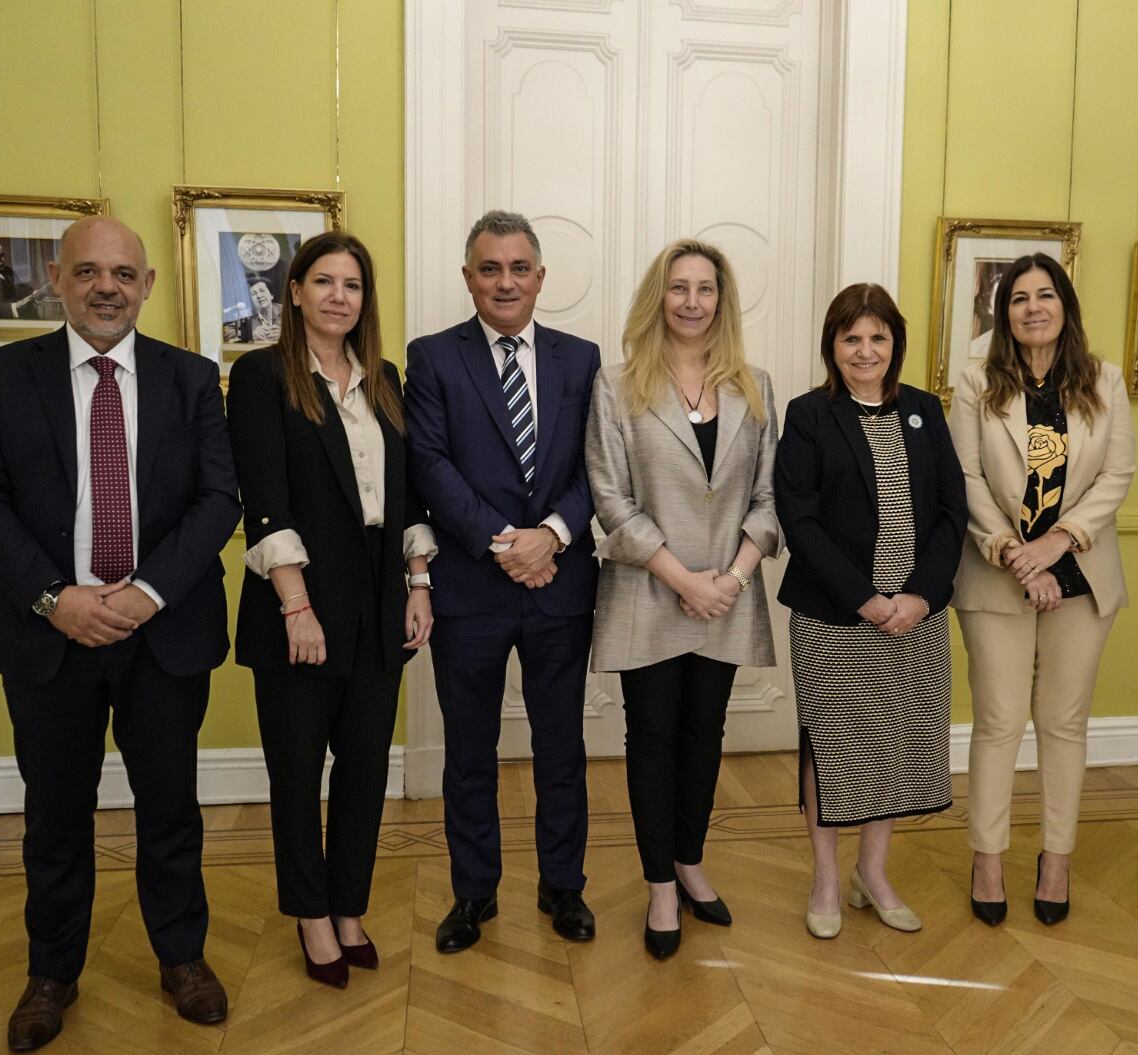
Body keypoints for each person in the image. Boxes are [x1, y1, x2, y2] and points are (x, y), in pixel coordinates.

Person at [0, 217, 240, 1051]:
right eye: (87, 272)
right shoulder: (6, 375)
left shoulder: (192, 378)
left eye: (121, 273)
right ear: (58, 280)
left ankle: (182, 958)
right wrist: (55, 598)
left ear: (147, 285)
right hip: (48, 636)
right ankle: (51, 973)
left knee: (171, 808)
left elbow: (219, 499)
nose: (105, 287)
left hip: (163, 635)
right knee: (55, 815)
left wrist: (146, 593)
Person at [227, 233, 434, 988]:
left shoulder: (384, 378)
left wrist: (419, 584)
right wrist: (297, 607)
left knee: (365, 769)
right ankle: (311, 914)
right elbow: (264, 499)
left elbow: (406, 493)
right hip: (301, 602)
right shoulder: (260, 377)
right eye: (323, 281)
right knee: (296, 771)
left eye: (352, 284)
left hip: (379, 601)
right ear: (295, 292)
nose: (338, 296)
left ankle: (349, 906)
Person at [405, 210, 601, 954]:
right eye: (490, 269)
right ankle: (473, 892)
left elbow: (598, 467)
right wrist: (505, 544)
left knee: (561, 749)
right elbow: (429, 464)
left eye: (519, 268)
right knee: (469, 753)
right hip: (470, 591)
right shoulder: (433, 358)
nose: (506, 282)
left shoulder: (581, 360)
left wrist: (551, 535)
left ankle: (564, 886)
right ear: (469, 278)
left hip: (560, 584)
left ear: (540, 277)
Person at [585, 238, 780, 959]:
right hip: (650, 592)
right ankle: (660, 885)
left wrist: (731, 578)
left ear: (721, 301)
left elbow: (769, 498)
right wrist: (685, 580)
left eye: (705, 289)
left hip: (728, 593)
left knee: (705, 735)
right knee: (653, 737)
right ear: (657, 298)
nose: (692, 302)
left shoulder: (756, 387)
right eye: (679, 288)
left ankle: (691, 860)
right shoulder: (617, 386)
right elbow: (611, 498)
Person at [947, 253, 1135, 928]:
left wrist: (1057, 546)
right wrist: (1015, 554)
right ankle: (988, 858)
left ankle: (1056, 858)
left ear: (1065, 306)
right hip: (997, 569)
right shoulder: (976, 383)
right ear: (1004, 314)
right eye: (1019, 298)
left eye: (1045, 295)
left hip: (1081, 573)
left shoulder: (1104, 381)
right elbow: (966, 478)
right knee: (999, 721)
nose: (1033, 307)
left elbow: (1116, 476)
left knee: (1063, 723)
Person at [775, 283, 966, 940]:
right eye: (850, 337)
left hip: (915, 616)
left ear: (895, 343)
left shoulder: (924, 410)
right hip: (835, 616)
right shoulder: (809, 415)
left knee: (893, 742)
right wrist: (865, 598)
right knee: (834, 746)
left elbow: (952, 512)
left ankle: (873, 874)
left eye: (877, 337)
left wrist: (920, 596)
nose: (864, 350)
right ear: (832, 345)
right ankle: (826, 879)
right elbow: (800, 519)